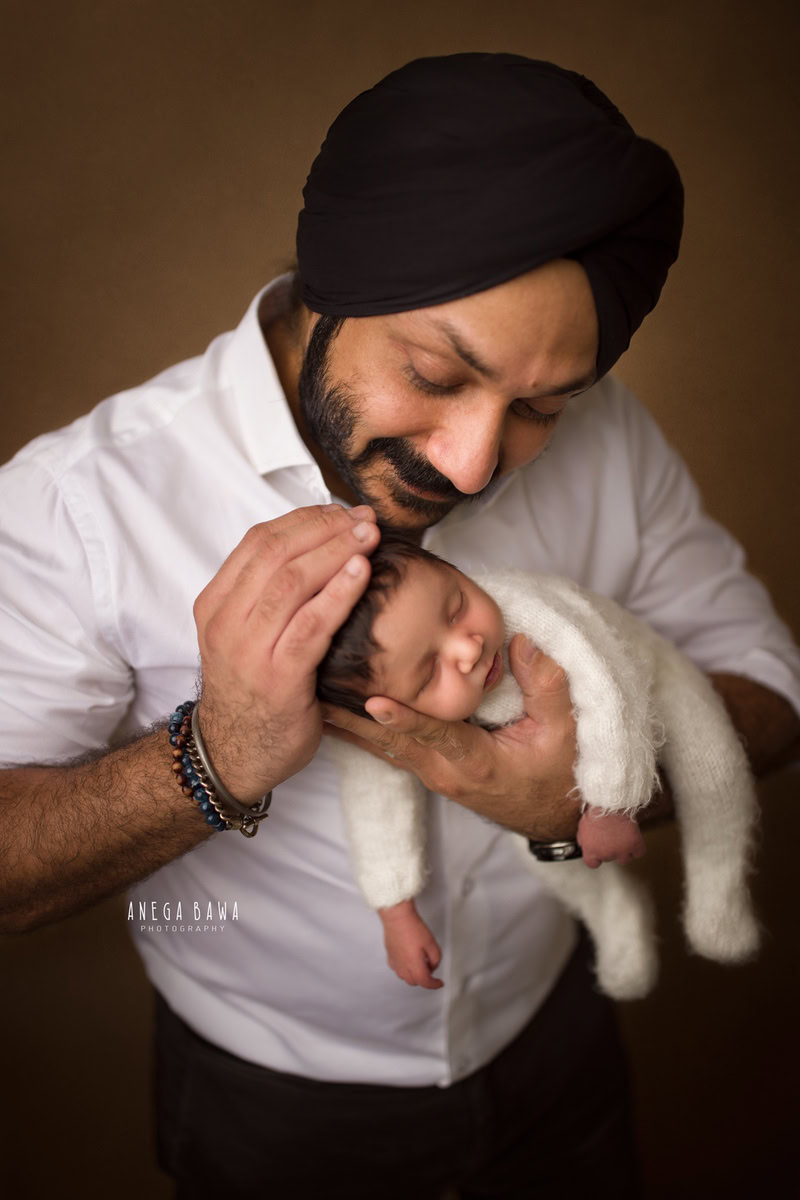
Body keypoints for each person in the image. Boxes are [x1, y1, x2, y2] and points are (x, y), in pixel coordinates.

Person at [1, 52, 799, 1199]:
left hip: (557, 1042)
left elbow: (766, 688)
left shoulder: (607, 437)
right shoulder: (85, 505)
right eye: (434, 372)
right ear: (333, 283)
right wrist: (211, 760)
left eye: (534, 409)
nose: (473, 462)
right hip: (271, 1104)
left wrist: (583, 795)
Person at [318, 536, 760, 1000]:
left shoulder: (526, 612)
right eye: (430, 673)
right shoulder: (390, 718)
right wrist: (395, 907)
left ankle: (720, 890)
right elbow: (374, 795)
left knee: (715, 771)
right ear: (384, 708)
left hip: (648, 680)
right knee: (543, 853)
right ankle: (613, 914)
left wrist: (611, 804)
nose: (467, 647)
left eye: (456, 606)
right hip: (533, 763)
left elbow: (611, 688)